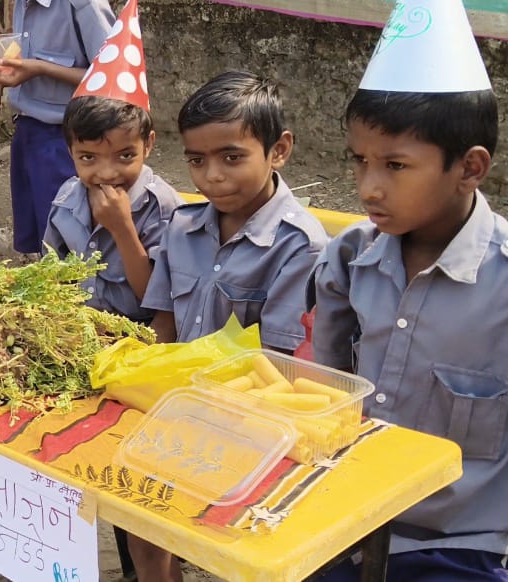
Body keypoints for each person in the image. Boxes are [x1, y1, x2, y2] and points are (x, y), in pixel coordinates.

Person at [311, 1, 508, 579]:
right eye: (360, 161)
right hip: (343, 518)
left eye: (395, 166)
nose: (369, 187)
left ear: (470, 167)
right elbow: (325, 387)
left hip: (455, 540)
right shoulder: (349, 257)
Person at [135, 70, 329, 581]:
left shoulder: (300, 245)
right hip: (175, 405)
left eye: (231, 157)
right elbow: (162, 322)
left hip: (251, 421)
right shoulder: (182, 226)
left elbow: (278, 366)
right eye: (196, 161)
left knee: (242, 547)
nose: (211, 177)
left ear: (279, 150)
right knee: (140, 514)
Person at [42, 0, 180, 326]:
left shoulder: (163, 209)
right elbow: (51, 272)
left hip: (137, 339)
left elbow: (159, 302)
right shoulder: (66, 200)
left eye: (125, 156)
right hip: (77, 334)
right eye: (88, 157)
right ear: (70, 151)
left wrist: (122, 229)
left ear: (148, 145)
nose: (106, 173)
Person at [0, 0, 115, 257]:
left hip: (68, 142)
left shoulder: (84, 4)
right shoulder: (21, 4)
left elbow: (112, 73)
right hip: (28, 135)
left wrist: (40, 69)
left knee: (72, 248)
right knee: (45, 240)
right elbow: (24, 58)